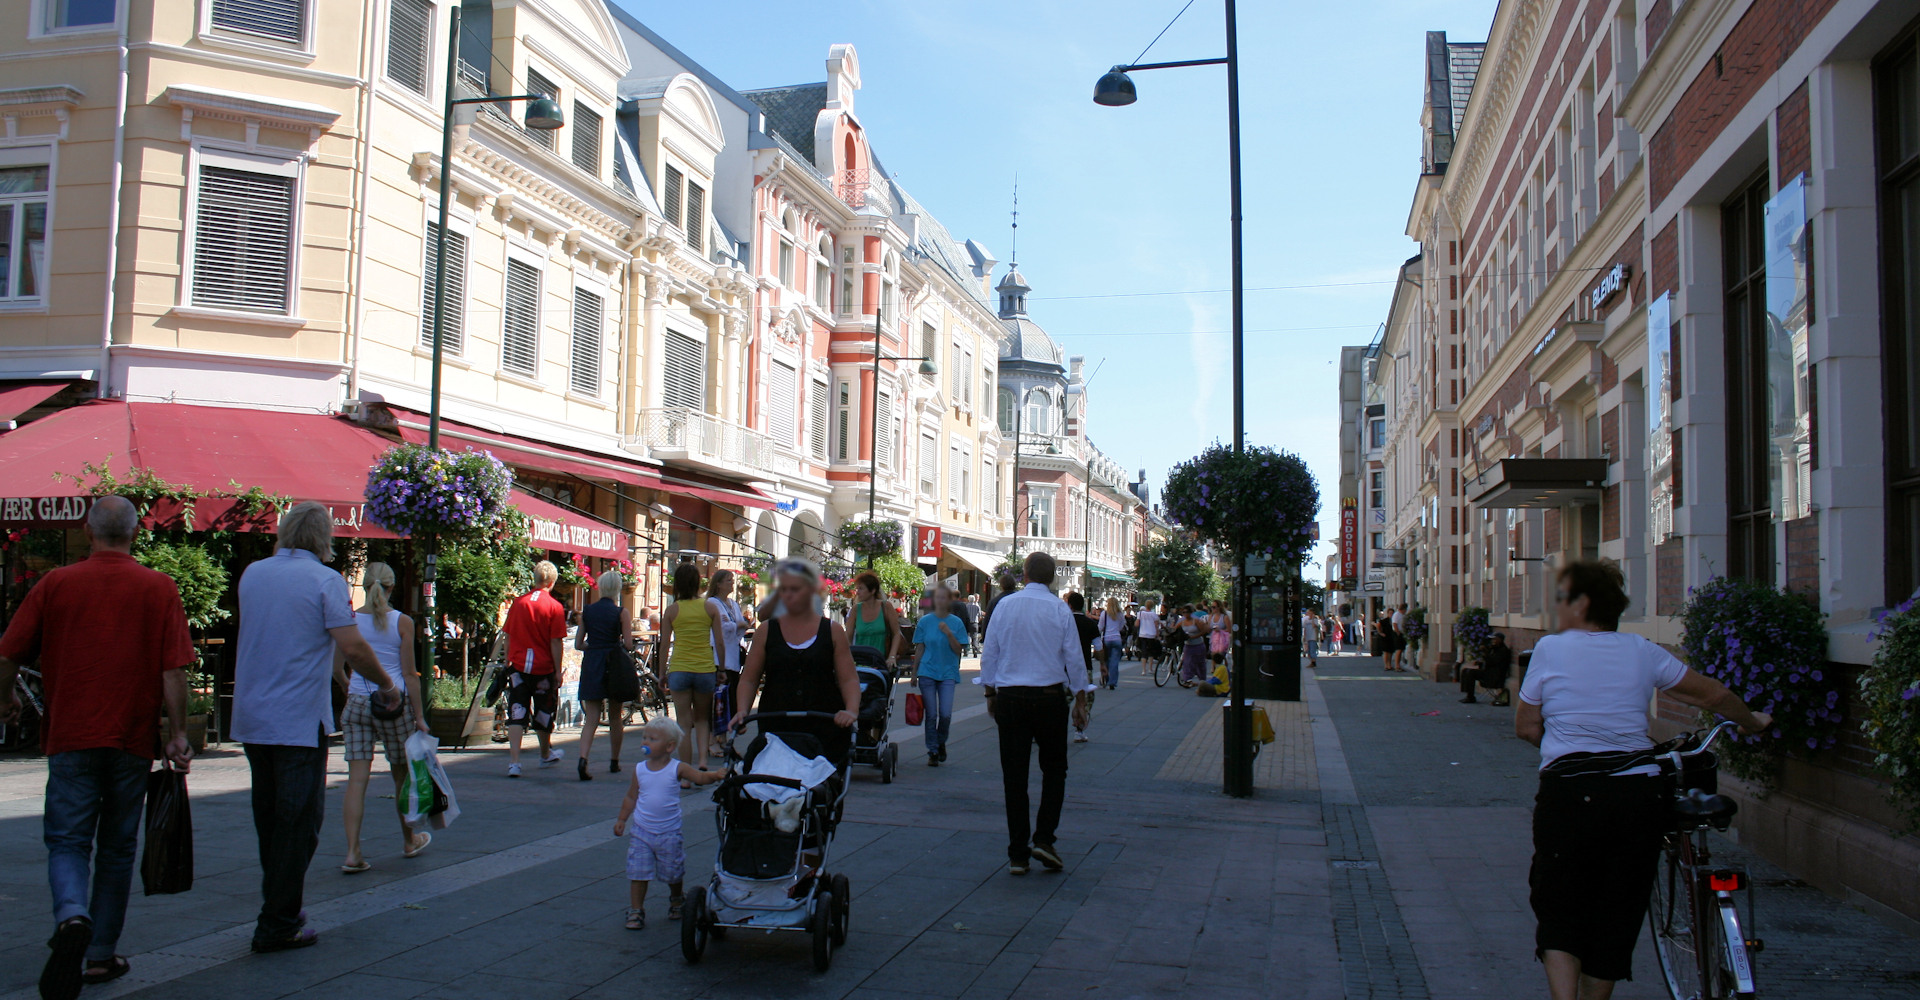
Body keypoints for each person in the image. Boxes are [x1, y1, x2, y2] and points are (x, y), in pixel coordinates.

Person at [1516, 561, 1771, 1000]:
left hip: (1570, 793)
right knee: (1619, 905)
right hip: (1636, 793)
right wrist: (1751, 720)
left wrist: (1563, 741)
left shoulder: (1549, 650)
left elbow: (1525, 726)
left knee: (1561, 903)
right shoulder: (1642, 651)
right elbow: (1714, 695)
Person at [0, 496, 195, 997]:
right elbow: (173, 670)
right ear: (134, 534)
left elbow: (8, 651)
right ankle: (100, 956)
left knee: (67, 840)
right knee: (116, 847)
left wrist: (5, 703)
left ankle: (71, 916)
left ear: (88, 532)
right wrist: (176, 733)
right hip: (131, 740)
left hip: (70, 734)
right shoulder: (158, 587)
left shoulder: (56, 584)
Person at [231, 501, 398, 953]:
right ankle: (278, 919)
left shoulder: (253, 574)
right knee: (300, 820)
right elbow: (353, 645)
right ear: (324, 539)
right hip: (297, 717)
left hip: (252, 714)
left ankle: (279, 906)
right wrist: (385, 684)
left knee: (269, 818)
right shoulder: (324, 580)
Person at [979, 552, 1091, 876]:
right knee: (1055, 770)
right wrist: (1080, 702)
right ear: (1052, 578)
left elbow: (990, 652)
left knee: (1014, 776)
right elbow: (1074, 658)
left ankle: (1017, 853)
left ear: (1025, 574)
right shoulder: (1059, 608)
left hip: (1011, 698)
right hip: (1049, 698)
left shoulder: (1005, 606)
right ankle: (1044, 837)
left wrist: (990, 693)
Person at [334, 562, 430, 872]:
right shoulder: (402, 622)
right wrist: (419, 716)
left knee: (356, 779)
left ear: (364, 586)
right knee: (401, 776)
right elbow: (409, 674)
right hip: (394, 704)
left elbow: (337, 668)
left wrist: (353, 689)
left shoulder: (347, 620)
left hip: (359, 702)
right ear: (391, 587)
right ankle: (409, 839)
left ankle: (352, 852)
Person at [733, 559, 861, 766]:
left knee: (819, 790)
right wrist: (742, 711)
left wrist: (851, 710)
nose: (788, 595)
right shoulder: (766, 631)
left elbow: (848, 679)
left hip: (824, 725)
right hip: (777, 724)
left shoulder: (832, 630)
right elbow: (749, 679)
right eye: (783, 589)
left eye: (795, 589)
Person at [613, 716, 725, 930]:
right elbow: (631, 796)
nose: (645, 742)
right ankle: (636, 909)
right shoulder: (640, 769)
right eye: (644, 737)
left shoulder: (677, 768)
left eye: (652, 739)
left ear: (669, 746)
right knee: (638, 871)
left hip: (668, 832)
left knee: (673, 871)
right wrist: (622, 819)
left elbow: (699, 778)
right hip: (642, 832)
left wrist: (714, 775)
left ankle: (676, 898)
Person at [659, 563, 724, 788]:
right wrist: (722, 669)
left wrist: (661, 673)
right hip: (705, 669)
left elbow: (664, 644)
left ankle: (686, 774)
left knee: (684, 723)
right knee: (702, 718)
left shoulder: (672, 610)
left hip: (679, 669)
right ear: (698, 583)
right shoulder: (709, 607)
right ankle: (703, 761)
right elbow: (719, 642)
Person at [503, 561, 568, 778]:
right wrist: (558, 670)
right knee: (543, 710)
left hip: (519, 666)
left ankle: (514, 762)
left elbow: (508, 634)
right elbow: (555, 642)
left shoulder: (518, 603)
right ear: (551, 582)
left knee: (517, 711)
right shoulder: (554, 607)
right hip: (543, 667)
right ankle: (544, 754)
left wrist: (508, 660)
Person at [575, 569, 633, 780]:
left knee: (591, 717)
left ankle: (583, 758)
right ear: (617, 589)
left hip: (593, 663)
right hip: (614, 663)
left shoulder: (588, 611)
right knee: (615, 716)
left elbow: (578, 643)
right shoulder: (621, 613)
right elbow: (627, 643)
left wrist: (593, 646)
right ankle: (614, 761)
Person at [911, 585, 966, 765]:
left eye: (944, 598)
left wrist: (949, 633)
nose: (940, 601)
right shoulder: (925, 622)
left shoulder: (956, 623)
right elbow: (920, 647)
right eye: (938, 597)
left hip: (948, 672)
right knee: (932, 714)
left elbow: (959, 650)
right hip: (927, 671)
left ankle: (941, 742)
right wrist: (914, 672)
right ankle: (932, 750)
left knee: (945, 714)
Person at [707, 570, 747, 751]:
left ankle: (723, 738)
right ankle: (713, 739)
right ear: (718, 584)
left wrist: (737, 626)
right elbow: (722, 628)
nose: (732, 583)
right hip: (716, 657)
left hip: (732, 657)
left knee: (728, 699)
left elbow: (739, 626)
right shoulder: (712, 603)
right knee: (717, 700)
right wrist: (736, 625)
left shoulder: (732, 604)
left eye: (732, 580)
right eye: (728, 581)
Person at [1063, 592, 1101, 743]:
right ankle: (1079, 730)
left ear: (1069, 605)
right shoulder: (1090, 623)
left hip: (1064, 668)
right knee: (1085, 700)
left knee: (1062, 700)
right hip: (1085, 667)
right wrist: (1103, 665)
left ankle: (1047, 730)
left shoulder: (1064, 621)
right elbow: (1098, 646)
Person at [844, 571, 903, 668]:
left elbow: (896, 633)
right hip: (860, 662)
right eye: (857, 588)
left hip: (882, 662)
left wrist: (892, 656)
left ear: (872, 591)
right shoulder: (856, 609)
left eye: (861, 588)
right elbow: (848, 637)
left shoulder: (886, 606)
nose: (857, 592)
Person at [1459, 631, 1513, 705]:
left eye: (1495, 639)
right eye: (1492, 640)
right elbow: (1489, 662)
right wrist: (1480, 663)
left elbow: (1492, 662)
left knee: (1471, 673)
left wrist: (1485, 653)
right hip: (1488, 673)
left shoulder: (1503, 651)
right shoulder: (1494, 649)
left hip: (1495, 676)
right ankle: (1467, 693)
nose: (1493, 641)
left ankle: (1470, 697)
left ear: (1500, 640)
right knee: (1465, 670)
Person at [1095, 596, 1125, 690]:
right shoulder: (1120, 614)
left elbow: (1100, 627)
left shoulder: (1104, 614)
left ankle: (1106, 678)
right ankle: (1112, 682)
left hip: (1106, 639)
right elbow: (1121, 626)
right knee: (1115, 662)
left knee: (1106, 660)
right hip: (1117, 639)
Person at [1176, 604, 1210, 685]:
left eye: (1187, 612)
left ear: (1191, 613)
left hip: (1198, 644)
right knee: (1187, 662)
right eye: (1183, 612)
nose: (1185, 614)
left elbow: (1203, 631)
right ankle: (1187, 679)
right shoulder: (1182, 621)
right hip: (1188, 645)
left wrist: (1194, 636)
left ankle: (1202, 679)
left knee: (1200, 663)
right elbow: (1175, 629)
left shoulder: (1196, 621)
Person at [1135, 599, 1163, 674]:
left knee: (1144, 652)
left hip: (1142, 634)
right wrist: (1157, 635)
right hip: (1151, 635)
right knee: (1151, 652)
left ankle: (1143, 670)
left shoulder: (1140, 613)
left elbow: (1137, 624)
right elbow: (1156, 626)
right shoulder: (1154, 615)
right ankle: (1150, 669)